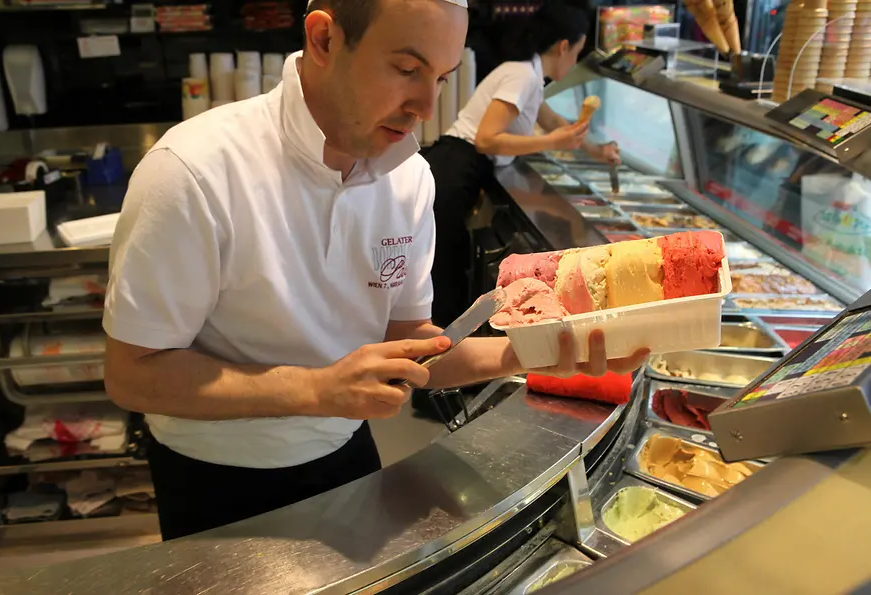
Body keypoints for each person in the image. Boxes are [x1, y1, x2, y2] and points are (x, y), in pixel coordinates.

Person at [102, 0, 649, 541]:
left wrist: (540, 352)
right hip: (217, 478)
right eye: (407, 70)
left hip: (348, 452)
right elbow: (132, 373)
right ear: (324, 40)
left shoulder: (409, 178)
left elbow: (412, 346)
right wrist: (317, 390)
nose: (425, 106)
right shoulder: (192, 171)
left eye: (441, 77)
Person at [426, 0, 620, 327]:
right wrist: (551, 143)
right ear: (562, 47)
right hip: (454, 169)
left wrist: (596, 150)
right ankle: (436, 368)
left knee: (447, 280)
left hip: (460, 168)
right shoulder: (522, 76)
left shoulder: (530, 75)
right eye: (577, 53)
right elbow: (487, 138)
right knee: (445, 285)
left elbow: (556, 123)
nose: (574, 62)